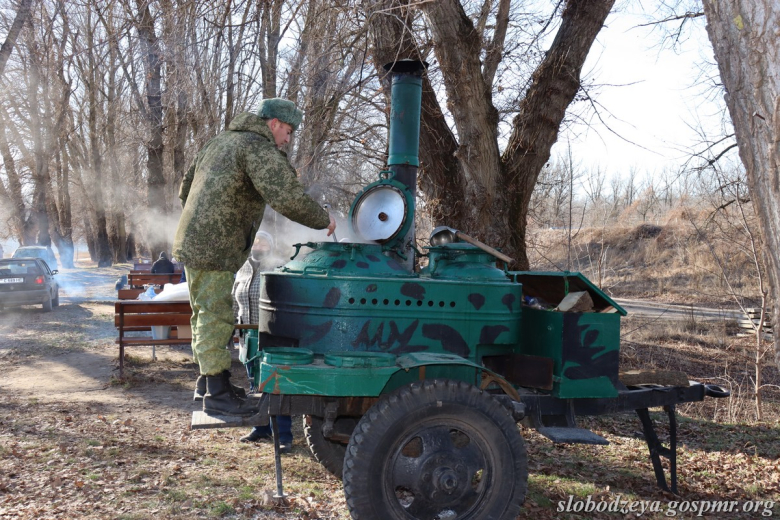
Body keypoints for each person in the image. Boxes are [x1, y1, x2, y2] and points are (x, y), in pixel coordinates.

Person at [173, 98, 336, 417]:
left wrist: (200, 220)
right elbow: (286, 195)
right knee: (216, 313)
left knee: (203, 311)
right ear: (273, 123)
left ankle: (209, 383)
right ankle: (217, 396)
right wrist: (323, 219)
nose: (287, 139)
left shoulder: (220, 141)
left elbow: (185, 188)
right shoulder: (256, 147)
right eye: (287, 131)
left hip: (195, 240)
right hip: (215, 245)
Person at [232, 231, 293, 452]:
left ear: (272, 244)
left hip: (271, 335)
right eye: (256, 241)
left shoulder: (278, 267)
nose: (259, 244)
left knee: (275, 385)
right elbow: (233, 301)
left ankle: (284, 434)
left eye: (264, 241)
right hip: (247, 336)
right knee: (254, 383)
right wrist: (232, 329)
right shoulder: (242, 268)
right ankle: (261, 428)